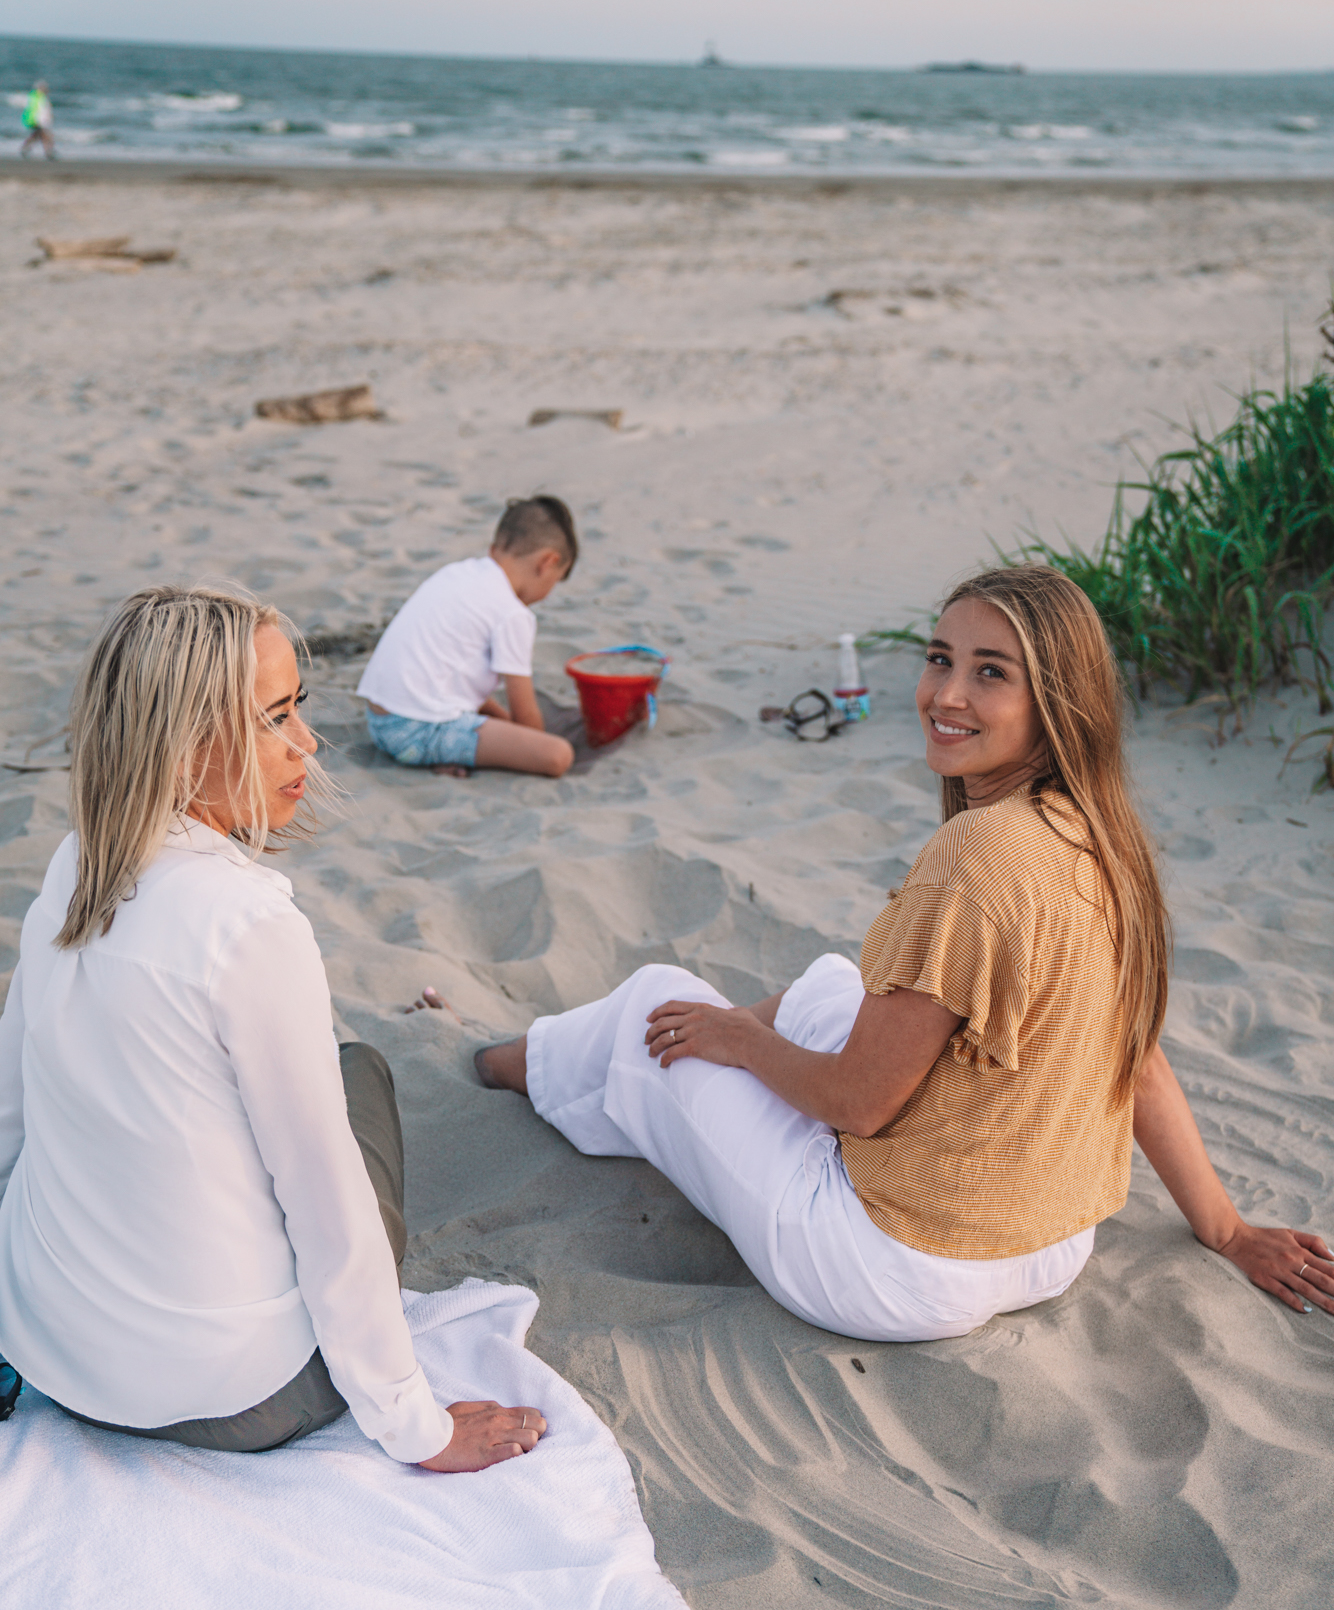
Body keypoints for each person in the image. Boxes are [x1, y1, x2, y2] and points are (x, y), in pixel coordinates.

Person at [475, 565, 1334, 1339]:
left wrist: (738, 1040)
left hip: (890, 1265)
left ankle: (507, 1064)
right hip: (1052, 1244)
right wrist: (1224, 1227)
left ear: (1056, 702)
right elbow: (1136, 1060)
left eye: (990, 672)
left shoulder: (976, 854)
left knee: (655, 1002)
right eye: (939, 659)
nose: (946, 694)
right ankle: (612, 1080)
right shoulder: (1102, 835)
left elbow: (859, 1105)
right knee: (829, 982)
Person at [0, 586, 545, 1468]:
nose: (307, 744)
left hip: (56, 1351)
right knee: (359, 1073)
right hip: (229, 1397)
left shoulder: (75, 861)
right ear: (185, 750)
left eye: (300, 710)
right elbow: (329, 1206)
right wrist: (418, 1425)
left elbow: (10, 1102)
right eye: (275, 718)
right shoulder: (248, 926)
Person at [357, 496, 578, 780]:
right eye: (555, 582)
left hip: (380, 723)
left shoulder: (457, 574)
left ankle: (446, 750)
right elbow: (526, 717)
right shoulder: (512, 612)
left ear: (495, 548)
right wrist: (529, 743)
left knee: (495, 725)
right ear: (548, 563)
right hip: (415, 733)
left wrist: (503, 727)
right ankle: (440, 751)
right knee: (558, 755)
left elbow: (457, 682)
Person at [20, 81, 54, 159]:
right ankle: (49, 152)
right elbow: (41, 110)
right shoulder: (39, 97)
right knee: (45, 136)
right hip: (37, 121)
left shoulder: (33, 96)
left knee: (36, 136)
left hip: (34, 120)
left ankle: (25, 148)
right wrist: (44, 121)